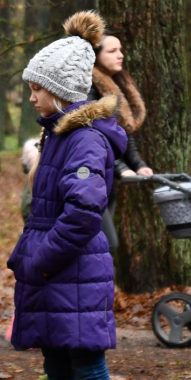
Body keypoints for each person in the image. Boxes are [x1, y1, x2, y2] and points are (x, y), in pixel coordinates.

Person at [8, 10, 127, 380]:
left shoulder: (84, 140)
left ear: (58, 90)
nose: (31, 95)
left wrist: (42, 261)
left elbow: (82, 214)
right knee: (57, 366)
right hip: (53, 271)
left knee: (88, 366)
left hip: (74, 270)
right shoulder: (55, 135)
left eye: (36, 87)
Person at [85, 24, 151, 254]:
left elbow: (124, 131)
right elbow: (94, 136)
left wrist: (138, 165)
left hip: (107, 179)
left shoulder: (116, 85)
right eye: (112, 51)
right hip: (88, 178)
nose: (120, 55)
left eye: (120, 49)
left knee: (101, 246)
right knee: (105, 244)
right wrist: (121, 167)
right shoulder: (89, 88)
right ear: (95, 55)